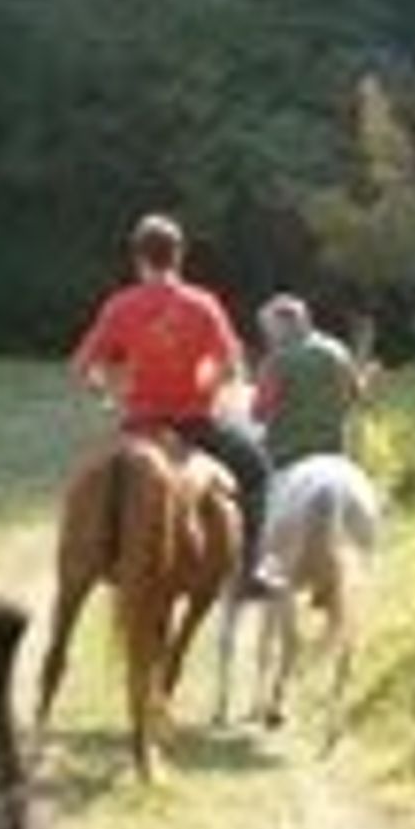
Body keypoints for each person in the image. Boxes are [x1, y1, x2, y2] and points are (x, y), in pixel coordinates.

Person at [69, 213, 279, 598]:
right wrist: (209, 385)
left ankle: (91, 556)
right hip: (195, 426)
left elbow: (82, 368)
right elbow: (233, 367)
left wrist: (107, 396)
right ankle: (249, 573)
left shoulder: (120, 306)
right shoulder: (203, 304)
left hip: (138, 426)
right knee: (258, 471)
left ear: (138, 258)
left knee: (89, 485)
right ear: (179, 255)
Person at [252, 294, 370, 469]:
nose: (268, 336)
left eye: (269, 329)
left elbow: (260, 411)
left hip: (287, 454)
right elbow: (355, 395)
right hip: (334, 450)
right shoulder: (337, 351)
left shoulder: (278, 361)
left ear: (282, 326)